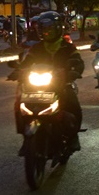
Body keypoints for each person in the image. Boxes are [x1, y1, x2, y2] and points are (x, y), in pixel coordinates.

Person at [13, 12, 85, 151]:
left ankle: (73, 137)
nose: (48, 32)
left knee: (73, 105)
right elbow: (27, 62)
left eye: (51, 28)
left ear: (58, 28)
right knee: (20, 105)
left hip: (61, 84)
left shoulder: (67, 47)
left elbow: (78, 62)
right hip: (36, 85)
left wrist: (73, 71)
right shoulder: (37, 47)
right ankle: (26, 137)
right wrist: (18, 70)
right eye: (45, 29)